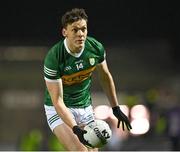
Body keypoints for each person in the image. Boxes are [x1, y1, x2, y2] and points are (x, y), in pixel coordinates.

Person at [43, 8, 132, 151]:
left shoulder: (95, 48)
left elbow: (105, 77)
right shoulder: (54, 57)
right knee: (81, 150)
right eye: (75, 30)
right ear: (64, 32)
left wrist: (115, 108)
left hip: (85, 107)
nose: (80, 34)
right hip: (59, 109)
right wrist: (75, 128)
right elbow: (57, 101)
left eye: (83, 29)